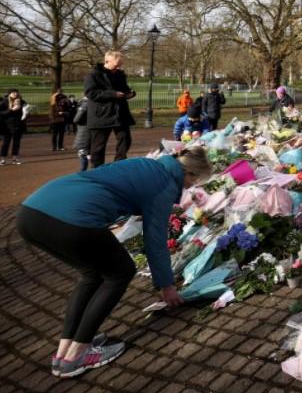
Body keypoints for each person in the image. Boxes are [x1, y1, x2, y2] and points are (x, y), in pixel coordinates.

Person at [16, 148, 212, 377]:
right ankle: (78, 355)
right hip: (72, 218)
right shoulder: (166, 184)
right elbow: (155, 239)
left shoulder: (146, 165)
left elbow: (109, 182)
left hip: (31, 213)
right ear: (186, 172)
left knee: (92, 274)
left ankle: (64, 352)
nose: (189, 187)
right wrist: (166, 285)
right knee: (120, 272)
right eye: (193, 180)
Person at [83, 51, 136, 167]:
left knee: (125, 139)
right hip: (101, 114)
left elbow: (125, 89)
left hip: (119, 113)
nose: (119, 66)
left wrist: (129, 93)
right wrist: (113, 94)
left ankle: (118, 164)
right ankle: (97, 169)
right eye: (117, 64)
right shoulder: (94, 74)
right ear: (107, 61)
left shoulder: (120, 74)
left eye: (120, 64)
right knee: (98, 146)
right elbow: (90, 93)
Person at [1, 90, 31, 166]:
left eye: (16, 92)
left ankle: (15, 158)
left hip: (18, 125)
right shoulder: (4, 102)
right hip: (7, 126)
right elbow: (1, 112)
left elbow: (26, 112)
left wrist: (27, 112)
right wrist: (11, 110)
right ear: (9, 94)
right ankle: (3, 159)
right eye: (13, 92)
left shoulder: (22, 101)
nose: (15, 94)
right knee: (6, 143)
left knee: (16, 143)